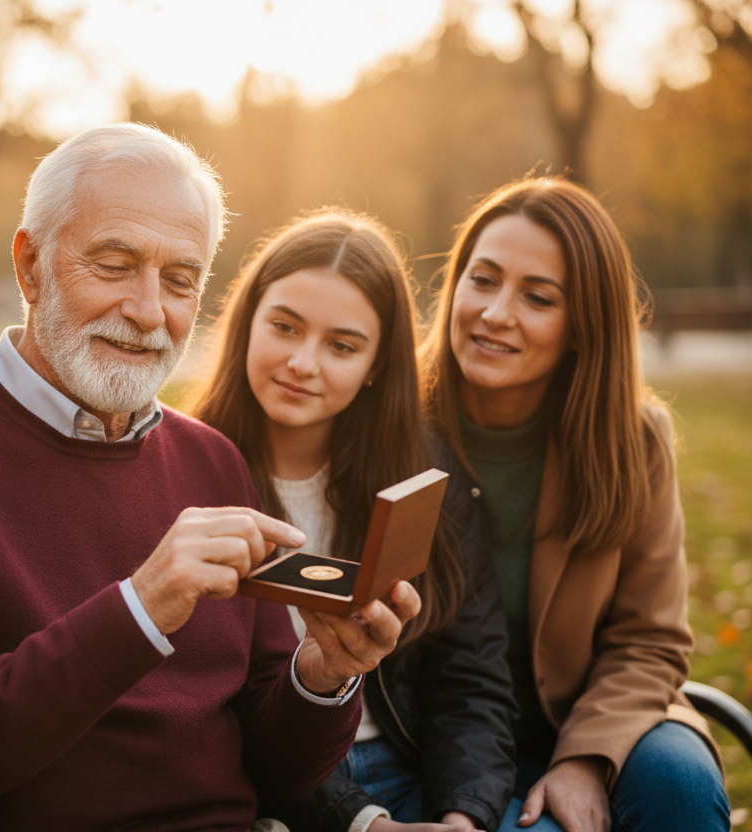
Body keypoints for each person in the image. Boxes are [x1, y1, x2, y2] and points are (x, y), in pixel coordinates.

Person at [0, 124, 422, 832]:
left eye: (180, 281)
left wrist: (320, 678)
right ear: (31, 266)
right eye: (114, 265)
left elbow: (272, 775)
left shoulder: (214, 461)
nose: (148, 311)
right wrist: (140, 608)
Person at [419, 176, 729, 832]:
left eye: (537, 297)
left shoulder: (633, 440)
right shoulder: (393, 421)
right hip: (437, 741)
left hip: (594, 719)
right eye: (483, 280)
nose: (495, 313)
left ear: (583, 327)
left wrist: (586, 757)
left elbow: (649, 639)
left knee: (680, 786)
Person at [191, 209, 516, 832]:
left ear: (377, 364)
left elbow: (470, 678)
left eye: (341, 345)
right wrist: (366, 823)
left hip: (414, 767)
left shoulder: (426, 475)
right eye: (284, 327)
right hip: (271, 790)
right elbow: (214, 709)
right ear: (247, 321)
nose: (302, 362)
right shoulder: (186, 473)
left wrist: (463, 816)